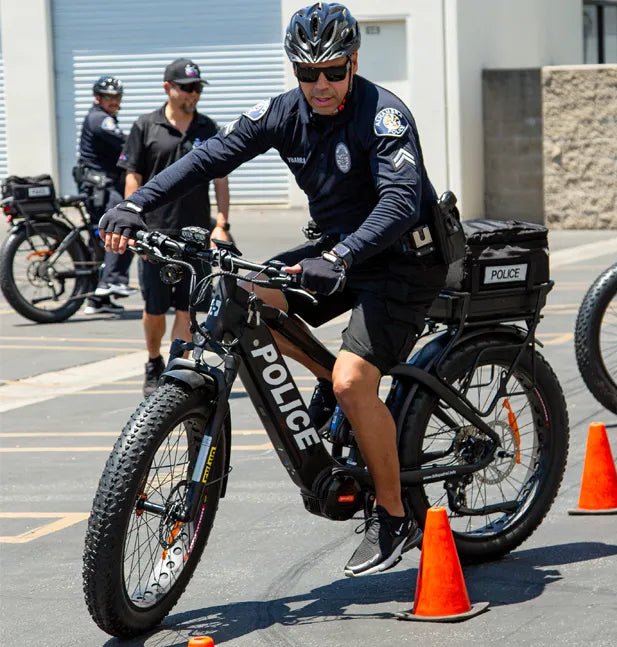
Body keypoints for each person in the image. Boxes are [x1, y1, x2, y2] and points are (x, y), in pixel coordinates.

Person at [99, 3, 447, 577]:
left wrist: (341, 255)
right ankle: (334, 390)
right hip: (336, 252)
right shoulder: (285, 113)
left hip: (403, 261)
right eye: (307, 73)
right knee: (242, 294)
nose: (321, 85)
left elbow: (401, 200)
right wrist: (136, 204)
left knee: (355, 379)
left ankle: (394, 515)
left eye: (333, 71)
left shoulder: (383, 115)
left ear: (354, 62)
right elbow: (210, 156)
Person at [115, 58, 231, 396]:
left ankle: (175, 368)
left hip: (194, 234)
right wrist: (132, 220)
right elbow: (133, 175)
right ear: (168, 88)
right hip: (155, 234)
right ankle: (153, 360)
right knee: (154, 310)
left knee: (188, 307)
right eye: (187, 88)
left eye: (197, 89)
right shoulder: (145, 126)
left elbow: (220, 178)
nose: (193, 95)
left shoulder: (207, 129)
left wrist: (221, 222)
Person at [77, 75, 134, 315]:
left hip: (98, 186)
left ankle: (98, 299)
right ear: (98, 98)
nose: (114, 101)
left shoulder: (102, 117)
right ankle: (112, 280)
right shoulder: (100, 119)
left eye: (117, 97)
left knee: (100, 240)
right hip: (101, 187)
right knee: (122, 225)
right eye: (109, 97)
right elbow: (125, 142)